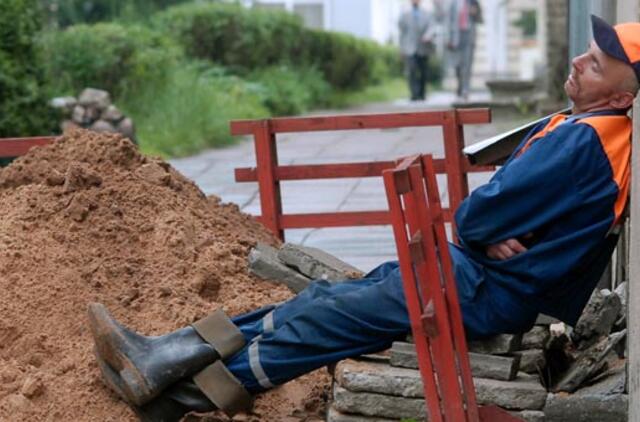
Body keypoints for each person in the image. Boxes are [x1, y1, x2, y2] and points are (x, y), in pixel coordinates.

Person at [88, 16, 640, 422]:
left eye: (593, 63)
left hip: (488, 289)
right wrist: (488, 229)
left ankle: (180, 399)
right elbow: (487, 222)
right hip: (478, 274)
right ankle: (170, 353)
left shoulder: (582, 145)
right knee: (322, 301)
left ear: (620, 93)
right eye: (584, 52)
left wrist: (484, 228)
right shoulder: (588, 129)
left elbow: (474, 218)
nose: (576, 61)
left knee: (331, 319)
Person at [399, 0, 435, 101]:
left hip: (423, 47)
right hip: (410, 48)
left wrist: (427, 36)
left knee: (423, 71)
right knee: (411, 71)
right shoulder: (405, 14)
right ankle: (414, 94)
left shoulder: (427, 14)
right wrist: (402, 48)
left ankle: (422, 93)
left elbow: (432, 27)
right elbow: (402, 33)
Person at [446, 0, 482, 101]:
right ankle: (460, 86)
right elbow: (449, 21)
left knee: (467, 65)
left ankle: (465, 89)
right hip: (456, 37)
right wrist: (448, 38)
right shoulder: (453, 3)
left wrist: (475, 13)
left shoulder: (473, 2)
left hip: (469, 36)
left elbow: (480, 19)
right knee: (457, 65)